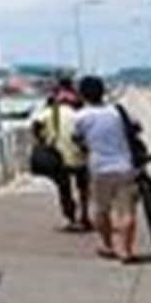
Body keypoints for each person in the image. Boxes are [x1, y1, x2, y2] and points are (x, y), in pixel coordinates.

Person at [71, 75, 139, 262]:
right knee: (127, 211)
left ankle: (108, 245)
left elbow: (76, 139)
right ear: (103, 92)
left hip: (99, 168)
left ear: (82, 94)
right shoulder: (118, 112)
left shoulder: (81, 117)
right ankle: (126, 249)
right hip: (125, 166)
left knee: (101, 210)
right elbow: (137, 127)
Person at [32, 78, 91, 231]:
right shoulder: (79, 110)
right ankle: (84, 216)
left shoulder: (50, 110)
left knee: (64, 188)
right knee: (83, 187)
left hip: (58, 155)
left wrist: (42, 140)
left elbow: (36, 125)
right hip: (79, 154)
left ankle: (70, 218)